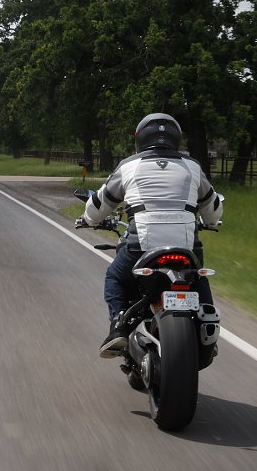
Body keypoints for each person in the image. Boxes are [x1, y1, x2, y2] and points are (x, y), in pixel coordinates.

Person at [78, 113, 223, 358]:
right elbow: (213, 210)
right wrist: (210, 222)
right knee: (197, 277)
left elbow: (99, 205)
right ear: (176, 139)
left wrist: (88, 219)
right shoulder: (193, 167)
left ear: (140, 139)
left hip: (140, 246)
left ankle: (118, 326)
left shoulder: (129, 166)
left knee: (115, 277)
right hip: (186, 247)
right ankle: (207, 323)